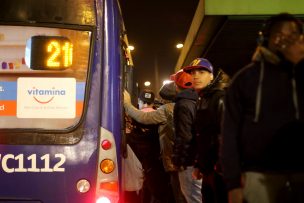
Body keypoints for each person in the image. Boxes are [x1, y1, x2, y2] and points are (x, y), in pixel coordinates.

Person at [221, 13, 304, 203]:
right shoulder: (245, 79)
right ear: (267, 38)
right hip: (259, 175)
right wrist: (232, 183)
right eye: (280, 34)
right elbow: (229, 133)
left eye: (294, 34)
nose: (286, 40)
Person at [124, 83, 185, 203]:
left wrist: (127, 104)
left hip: (167, 164)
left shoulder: (165, 111)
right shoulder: (177, 108)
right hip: (172, 162)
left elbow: (143, 118)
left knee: (177, 194)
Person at [183, 58, 229, 203]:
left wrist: (220, 167)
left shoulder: (220, 98)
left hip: (220, 171)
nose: (196, 76)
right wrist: (198, 165)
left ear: (211, 76)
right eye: (193, 72)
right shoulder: (201, 99)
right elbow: (201, 135)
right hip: (208, 169)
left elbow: (226, 135)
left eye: (201, 72)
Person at [171, 69, 202, 203]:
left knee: (192, 197)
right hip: (197, 159)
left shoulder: (182, 104)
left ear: (177, 86)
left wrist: (179, 160)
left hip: (188, 161)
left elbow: (184, 136)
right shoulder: (197, 100)